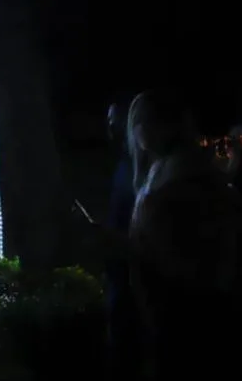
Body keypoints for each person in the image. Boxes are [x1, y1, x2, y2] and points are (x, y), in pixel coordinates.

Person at [126, 90, 242, 377]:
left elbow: (181, 252)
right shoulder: (159, 170)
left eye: (146, 122)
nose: (138, 131)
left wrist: (125, 247)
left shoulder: (188, 178)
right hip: (166, 308)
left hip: (187, 311)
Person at [103, 101, 142, 380]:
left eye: (115, 121)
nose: (110, 127)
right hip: (119, 263)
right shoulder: (124, 165)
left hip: (134, 265)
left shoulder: (138, 167)